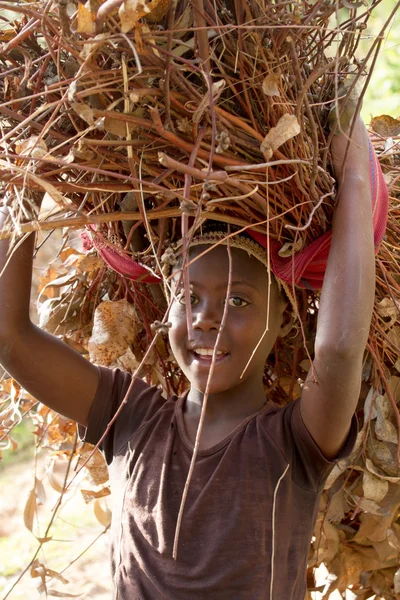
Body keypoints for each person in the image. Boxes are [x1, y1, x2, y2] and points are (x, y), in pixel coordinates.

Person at [0, 118, 383, 599]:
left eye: (238, 301)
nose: (206, 319)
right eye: (189, 297)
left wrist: (354, 178)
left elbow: (339, 349)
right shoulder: (130, 418)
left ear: (285, 320)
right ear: (167, 308)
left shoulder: (293, 442)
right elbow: (10, 336)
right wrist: (26, 176)